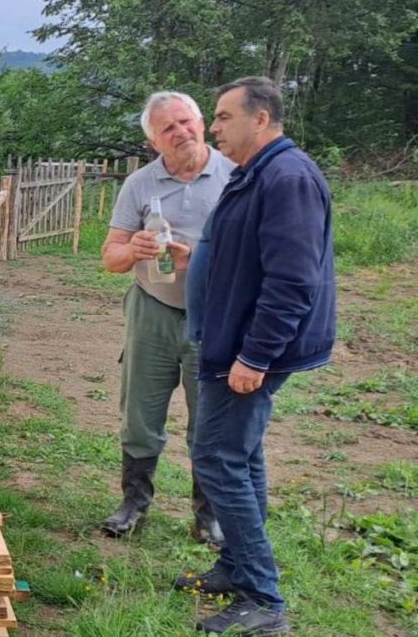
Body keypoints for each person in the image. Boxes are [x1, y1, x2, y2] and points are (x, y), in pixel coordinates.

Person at [179, 77, 335, 636]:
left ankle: (263, 598)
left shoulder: (288, 177)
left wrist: (256, 356)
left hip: (248, 349)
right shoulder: (257, 172)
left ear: (261, 119)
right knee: (240, 457)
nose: (214, 128)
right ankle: (236, 567)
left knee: (217, 458)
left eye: (223, 117)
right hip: (232, 340)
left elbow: (293, 281)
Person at [100, 91, 233, 543]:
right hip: (152, 309)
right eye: (167, 128)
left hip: (215, 316)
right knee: (140, 413)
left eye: (185, 121)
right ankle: (133, 502)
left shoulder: (236, 176)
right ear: (153, 142)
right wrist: (131, 249)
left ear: (202, 123)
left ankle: (208, 514)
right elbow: (111, 257)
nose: (180, 132)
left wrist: (198, 261)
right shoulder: (140, 184)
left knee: (210, 418)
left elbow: (257, 257)